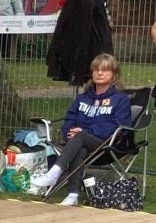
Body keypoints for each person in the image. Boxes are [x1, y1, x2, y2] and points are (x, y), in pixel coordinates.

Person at [30, 53, 134, 206]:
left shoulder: (120, 99)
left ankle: (55, 172)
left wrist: (86, 131)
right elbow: (69, 120)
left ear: (114, 75)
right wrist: (70, 132)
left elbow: (118, 126)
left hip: (107, 143)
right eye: (96, 69)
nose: (99, 73)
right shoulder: (83, 98)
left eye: (105, 70)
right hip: (80, 142)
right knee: (80, 145)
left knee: (81, 138)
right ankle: (73, 195)